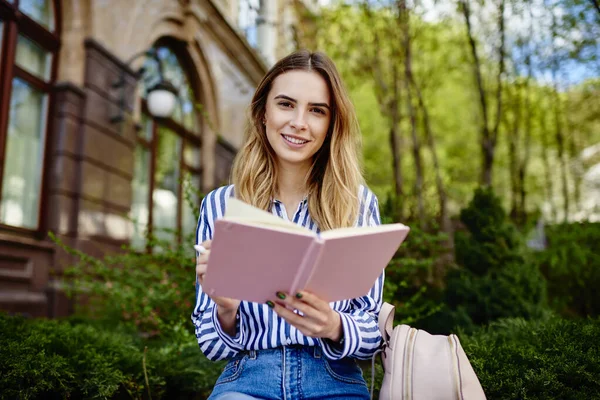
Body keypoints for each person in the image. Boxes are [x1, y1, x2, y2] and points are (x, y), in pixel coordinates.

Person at [192, 50, 383, 400]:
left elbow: (372, 334)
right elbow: (210, 345)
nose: (299, 122)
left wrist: (333, 325)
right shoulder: (220, 206)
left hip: (334, 379)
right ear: (263, 113)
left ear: (331, 125)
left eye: (316, 110)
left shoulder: (358, 204)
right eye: (285, 104)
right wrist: (225, 308)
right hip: (247, 378)